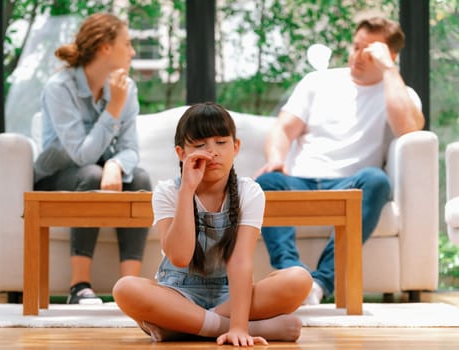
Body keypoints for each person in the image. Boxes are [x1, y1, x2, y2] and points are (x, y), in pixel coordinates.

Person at [254, 15, 425, 305]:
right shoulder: (318, 82)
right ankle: (291, 275)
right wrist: (276, 159)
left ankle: (320, 284)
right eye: (355, 46)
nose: (357, 56)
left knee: (377, 180)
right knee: (267, 181)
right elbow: (283, 128)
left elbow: (408, 128)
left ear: (390, 55)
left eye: (368, 51)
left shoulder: (398, 93)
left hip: (350, 186)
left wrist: (388, 69)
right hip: (300, 181)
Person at [113, 102, 312, 346]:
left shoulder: (250, 192)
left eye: (221, 142)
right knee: (125, 289)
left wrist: (239, 326)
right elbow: (179, 257)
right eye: (199, 145)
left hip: (230, 297)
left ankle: (183, 328)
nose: (212, 152)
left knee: (299, 279)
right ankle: (229, 327)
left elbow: (240, 262)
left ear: (236, 147)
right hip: (178, 294)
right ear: (181, 153)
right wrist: (187, 190)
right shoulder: (167, 192)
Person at [33, 13, 152, 305]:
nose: (133, 52)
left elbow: (130, 148)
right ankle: (79, 286)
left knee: (140, 178)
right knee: (89, 173)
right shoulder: (60, 88)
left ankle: (130, 288)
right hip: (57, 177)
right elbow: (81, 153)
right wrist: (114, 108)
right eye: (127, 43)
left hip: (98, 169)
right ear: (104, 48)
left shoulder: (128, 88)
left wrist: (116, 164)